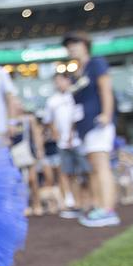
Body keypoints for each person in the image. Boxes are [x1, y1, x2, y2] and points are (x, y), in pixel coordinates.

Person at [62, 30, 120, 228]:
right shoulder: (77, 73)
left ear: (85, 44)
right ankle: (99, 206)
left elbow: (106, 89)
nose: (71, 48)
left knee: (101, 165)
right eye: (69, 45)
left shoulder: (96, 63)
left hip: (98, 122)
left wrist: (106, 114)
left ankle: (108, 210)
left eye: (75, 44)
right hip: (85, 127)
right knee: (94, 169)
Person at [43, 71, 86, 217]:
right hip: (62, 144)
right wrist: (56, 135)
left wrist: (72, 134)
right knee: (66, 173)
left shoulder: (74, 96)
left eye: (62, 80)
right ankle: (70, 204)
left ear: (68, 81)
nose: (59, 83)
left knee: (82, 172)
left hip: (77, 141)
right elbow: (48, 121)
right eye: (57, 81)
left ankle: (84, 202)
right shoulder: (52, 101)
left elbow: (77, 118)